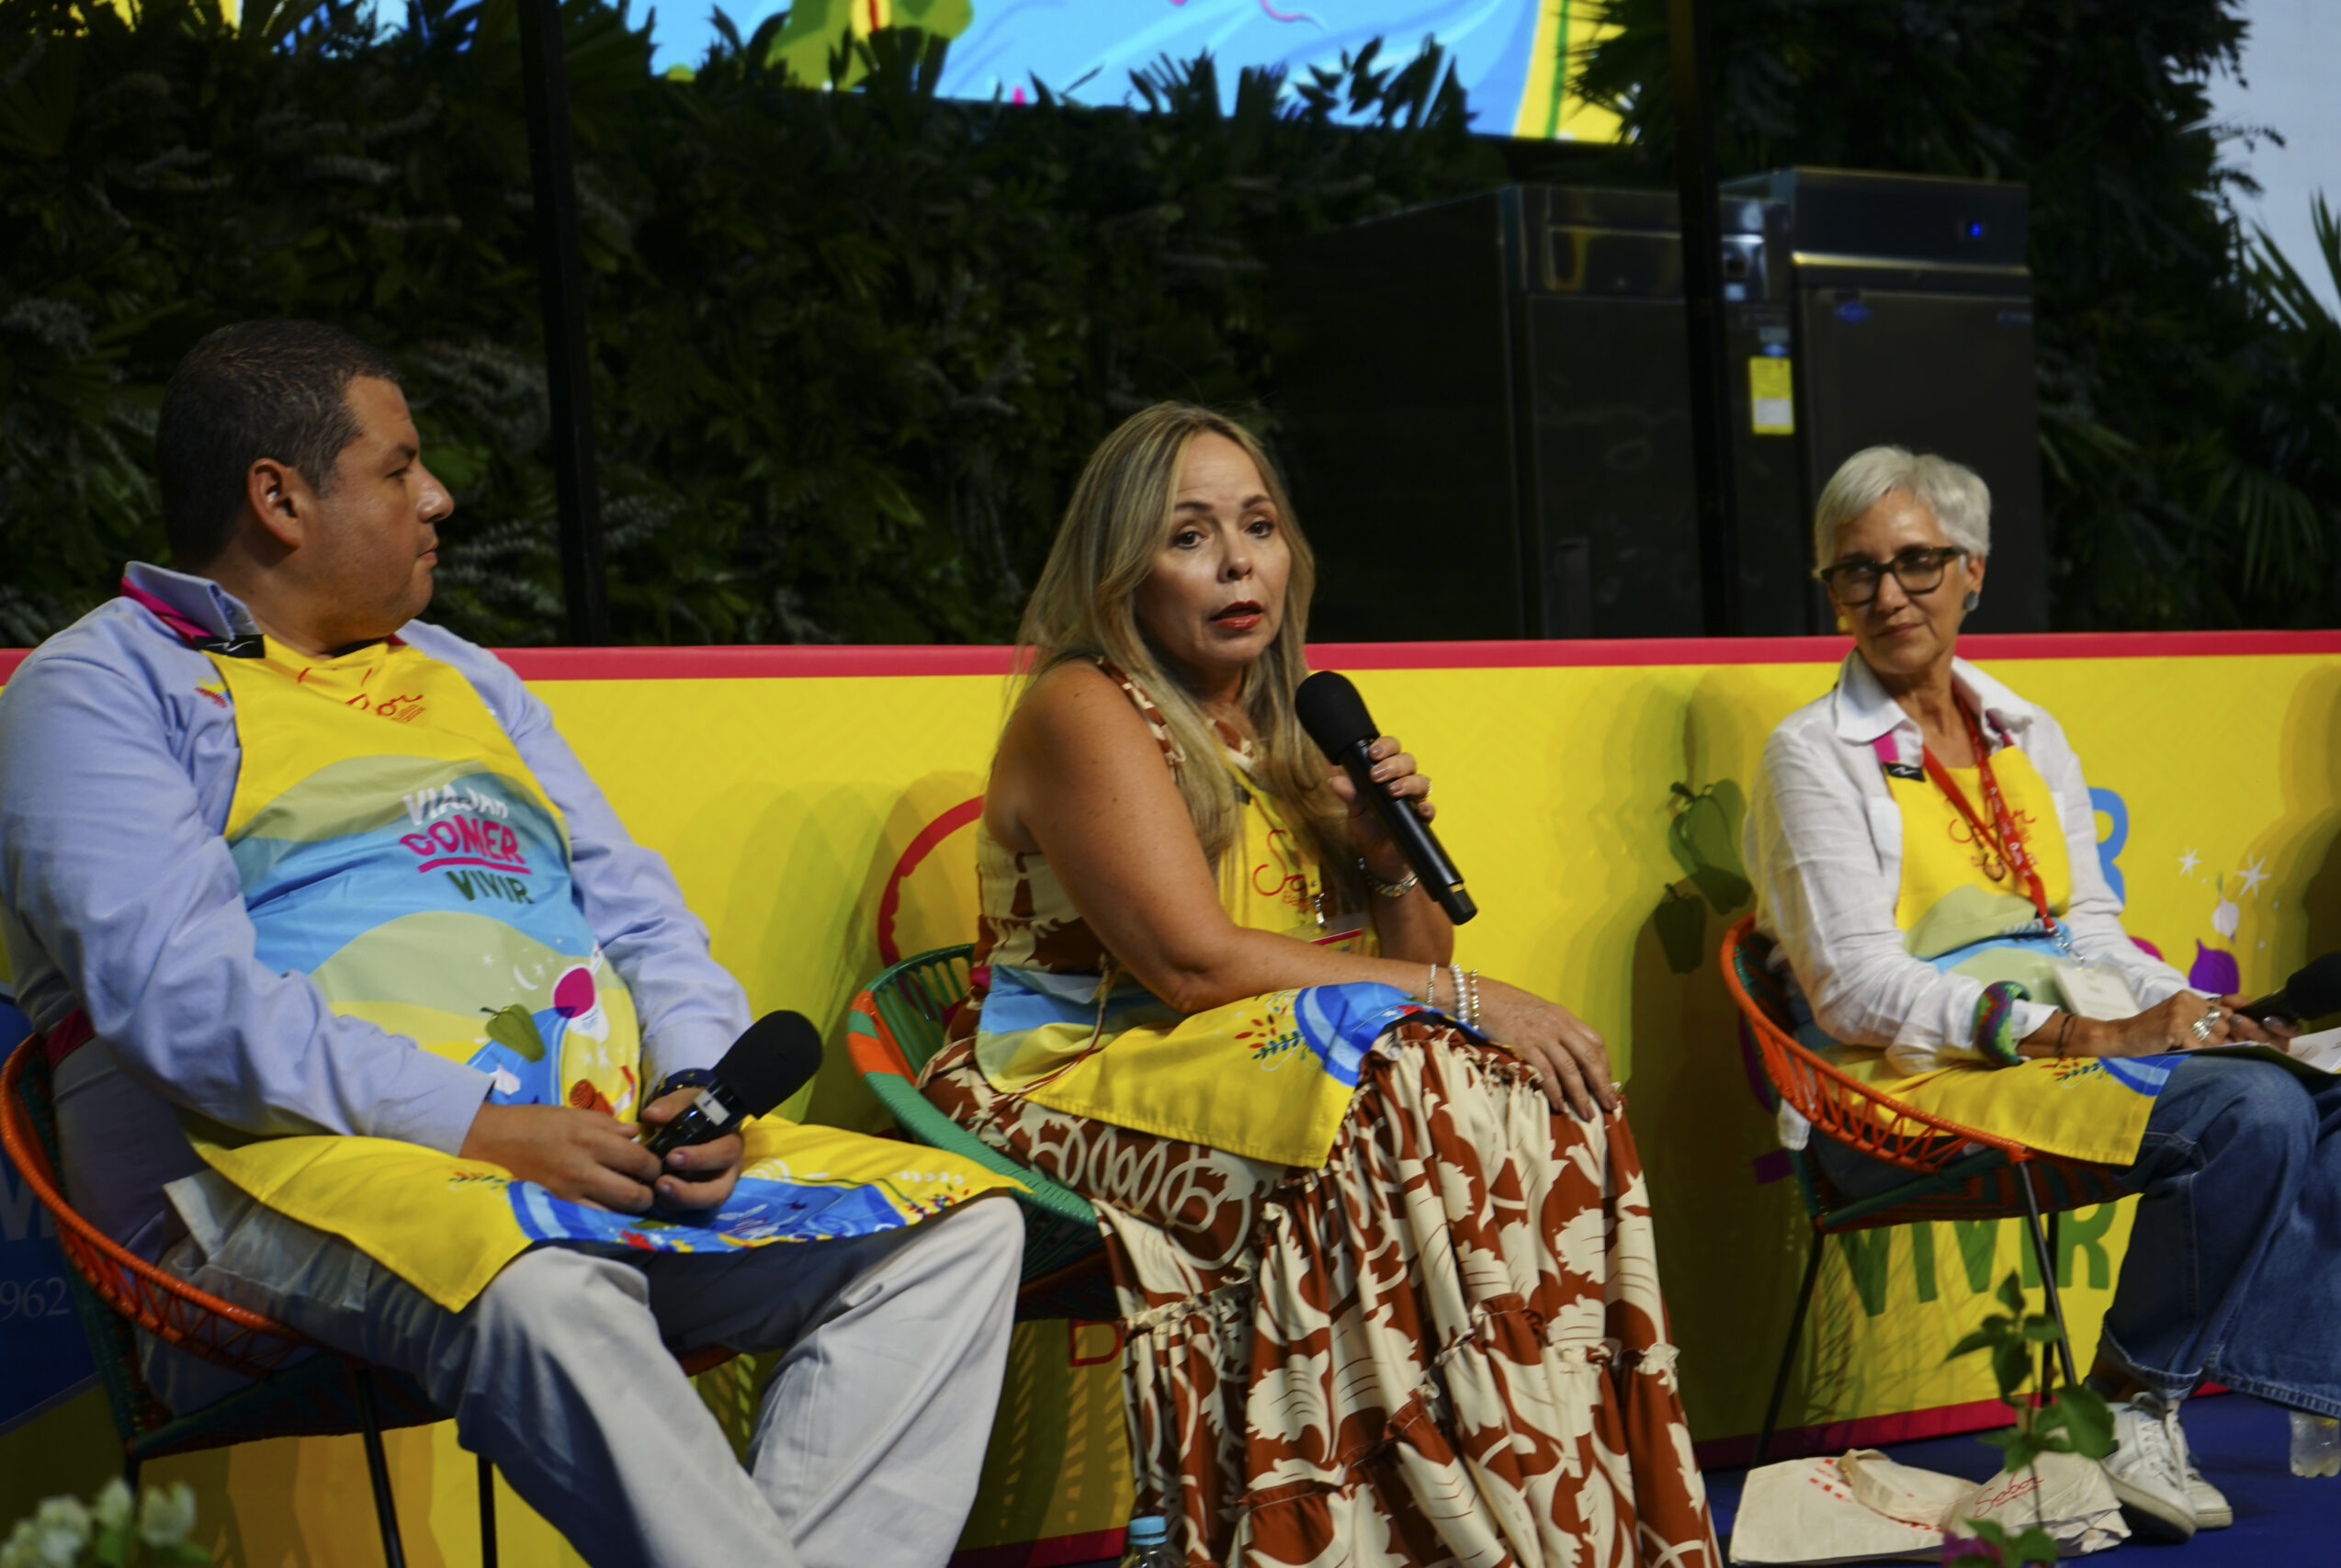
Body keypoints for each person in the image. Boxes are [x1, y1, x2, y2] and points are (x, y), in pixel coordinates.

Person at [0, 321, 1025, 1568]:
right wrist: (479, 1127)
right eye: (398, 467)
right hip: (264, 1199)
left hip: (597, 1164)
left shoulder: (463, 674)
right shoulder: (100, 685)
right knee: (540, 1284)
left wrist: (696, 1084)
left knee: (953, 1232)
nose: (438, 497)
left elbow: (642, 917)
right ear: (279, 498)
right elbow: (182, 1003)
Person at [917, 402, 1719, 1567]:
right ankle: (1407, 1520)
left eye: (1258, 526)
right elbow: (1192, 964)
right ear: (1120, 567)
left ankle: (1546, 1476)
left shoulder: (1288, 722)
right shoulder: (1084, 707)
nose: (1237, 563)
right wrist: (1469, 1002)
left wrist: (1387, 857)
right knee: (1409, 1087)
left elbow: (1412, 964)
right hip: (1070, 1074)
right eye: (1189, 535)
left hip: (1259, 1056)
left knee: (1531, 1087)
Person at [1742, 445, 2341, 1543]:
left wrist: (2194, 1013)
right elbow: (1853, 992)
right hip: (1905, 1088)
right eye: (1855, 572)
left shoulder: (2025, 732)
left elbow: (2088, 932)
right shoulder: (1811, 754)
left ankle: (2159, 1402)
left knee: (2325, 1087)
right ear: (1831, 590)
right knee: (2254, 1110)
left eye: (1916, 563)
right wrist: (2082, 1029)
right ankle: (2124, 1403)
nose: (1887, 595)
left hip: (2059, 1052)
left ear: (1971, 570)